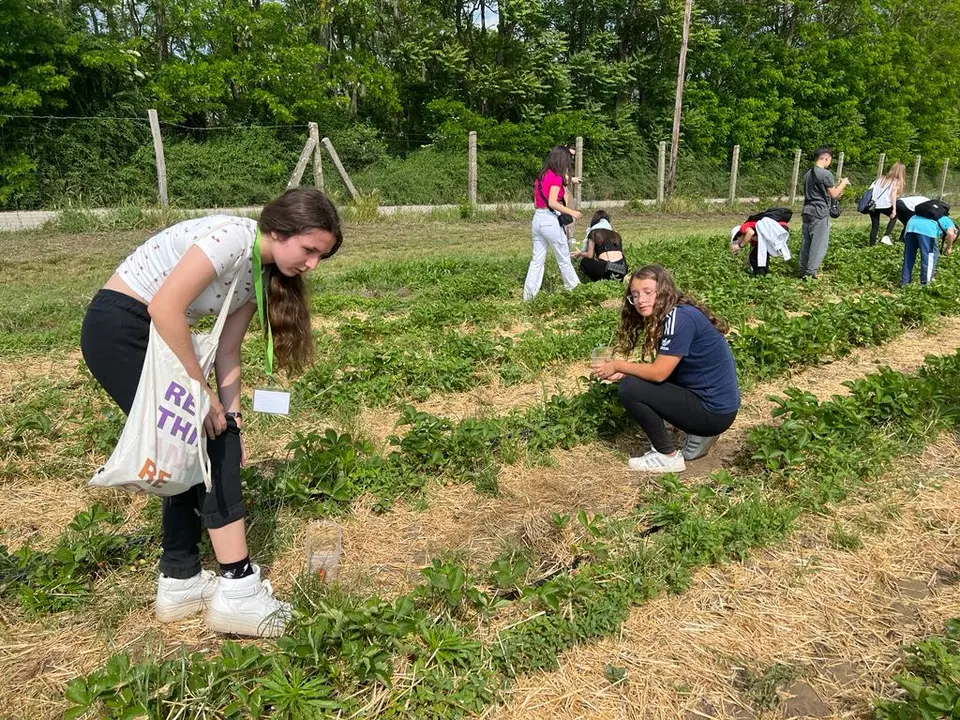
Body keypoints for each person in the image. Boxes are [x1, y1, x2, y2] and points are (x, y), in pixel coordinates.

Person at [80, 188, 343, 637]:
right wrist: (200, 395)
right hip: (120, 328)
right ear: (279, 231)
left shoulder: (257, 274)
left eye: (322, 256)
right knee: (201, 437)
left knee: (201, 441)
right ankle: (238, 588)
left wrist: (234, 420)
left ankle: (180, 577)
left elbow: (228, 349)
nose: (312, 265)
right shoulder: (231, 240)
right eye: (309, 250)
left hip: (148, 332)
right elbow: (165, 306)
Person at [591, 264, 740, 473]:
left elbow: (659, 373)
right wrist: (628, 370)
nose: (640, 300)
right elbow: (667, 370)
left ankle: (667, 456)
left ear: (663, 291)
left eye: (647, 292)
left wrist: (618, 365)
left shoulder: (679, 318)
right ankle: (700, 433)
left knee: (630, 388)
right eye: (635, 295)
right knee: (637, 380)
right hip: (719, 406)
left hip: (713, 412)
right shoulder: (679, 313)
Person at [523, 146, 582, 300]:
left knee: (537, 260)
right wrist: (572, 212)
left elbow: (537, 203)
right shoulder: (556, 177)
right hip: (550, 221)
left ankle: (529, 296)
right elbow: (553, 202)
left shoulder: (540, 177)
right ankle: (575, 290)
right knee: (563, 258)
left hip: (537, 220)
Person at [798, 146, 850, 280]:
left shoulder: (807, 174)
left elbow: (820, 191)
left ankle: (802, 269)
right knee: (819, 242)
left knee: (806, 241)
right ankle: (810, 273)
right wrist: (843, 183)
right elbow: (834, 194)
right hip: (819, 211)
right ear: (827, 158)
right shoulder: (825, 174)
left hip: (807, 210)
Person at [901, 208, 956, 286]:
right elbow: (951, 234)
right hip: (926, 230)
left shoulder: (924, 213)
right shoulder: (947, 220)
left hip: (910, 227)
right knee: (929, 257)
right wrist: (949, 247)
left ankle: (904, 282)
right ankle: (925, 284)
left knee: (908, 256)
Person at [730, 210, 792, 276]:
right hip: (781, 228)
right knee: (761, 254)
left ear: (738, 235)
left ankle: (759, 275)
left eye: (737, 240)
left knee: (755, 257)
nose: (738, 241)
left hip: (776, 228)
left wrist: (740, 246)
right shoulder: (754, 237)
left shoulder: (743, 228)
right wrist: (748, 258)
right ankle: (764, 274)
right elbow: (754, 248)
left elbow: (750, 232)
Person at [572, 210, 628, 282]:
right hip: (622, 269)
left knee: (585, 262)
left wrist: (580, 253)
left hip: (606, 268)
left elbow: (589, 255)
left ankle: (599, 281)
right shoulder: (616, 234)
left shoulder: (594, 233)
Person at [866, 162, 905, 246]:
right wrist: (894, 209)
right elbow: (893, 195)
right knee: (894, 216)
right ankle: (886, 236)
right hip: (885, 204)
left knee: (875, 226)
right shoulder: (895, 181)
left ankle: (871, 245)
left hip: (873, 205)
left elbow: (871, 189)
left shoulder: (880, 178)